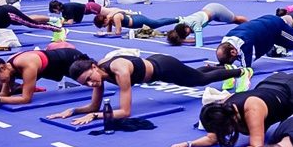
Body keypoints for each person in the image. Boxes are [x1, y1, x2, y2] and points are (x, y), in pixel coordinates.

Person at [50, 53, 246, 125]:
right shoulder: (98, 75)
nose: (91, 84)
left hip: (164, 68)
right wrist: (73, 110)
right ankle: (222, 68)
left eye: (89, 79)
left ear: (94, 67)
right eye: (86, 84)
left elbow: (125, 112)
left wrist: (95, 116)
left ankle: (241, 72)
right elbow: (94, 106)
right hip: (156, 64)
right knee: (193, 75)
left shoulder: (119, 70)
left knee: (199, 80)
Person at [0, 44, 87, 106]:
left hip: (69, 59)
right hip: (57, 65)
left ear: (2, 67)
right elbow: (5, 93)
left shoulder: (26, 64)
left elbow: (26, 99)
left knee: (95, 80)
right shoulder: (8, 68)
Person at [215, 15, 293, 67]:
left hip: (274, 27)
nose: (234, 61)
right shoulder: (226, 41)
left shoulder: (244, 44)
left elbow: (246, 68)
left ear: (233, 51)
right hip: (265, 29)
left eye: (232, 60)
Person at [167, 3, 248, 46]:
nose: (188, 34)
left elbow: (198, 42)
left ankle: (249, 26)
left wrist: (183, 41)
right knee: (234, 21)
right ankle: (247, 27)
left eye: (186, 33)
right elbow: (174, 33)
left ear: (186, 28)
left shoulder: (195, 25)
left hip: (217, 10)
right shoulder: (180, 25)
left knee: (235, 19)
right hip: (210, 11)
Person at [92, 11, 179, 37]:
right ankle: (176, 19)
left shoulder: (116, 17)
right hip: (135, 20)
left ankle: (177, 20)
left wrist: (104, 33)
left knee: (156, 23)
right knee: (157, 22)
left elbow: (118, 32)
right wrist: (105, 33)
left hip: (139, 21)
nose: (104, 27)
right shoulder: (109, 19)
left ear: (105, 20)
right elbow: (109, 32)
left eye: (103, 25)